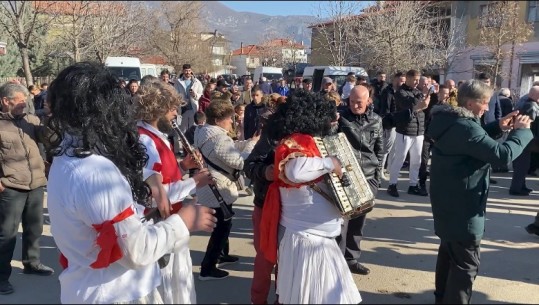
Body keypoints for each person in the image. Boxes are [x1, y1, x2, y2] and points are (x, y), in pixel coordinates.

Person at [46, 62, 217, 304]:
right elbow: (136, 250)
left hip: (93, 288)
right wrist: (184, 220)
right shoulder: (95, 171)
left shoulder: (66, 158)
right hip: (115, 293)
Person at [427, 79, 533, 304]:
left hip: (447, 202)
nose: (487, 107)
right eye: (484, 103)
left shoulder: (450, 120)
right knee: (466, 264)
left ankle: (441, 297)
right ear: (470, 103)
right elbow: (501, 156)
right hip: (462, 207)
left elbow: (472, 142)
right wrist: (521, 133)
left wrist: (497, 127)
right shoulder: (465, 127)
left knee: (449, 251)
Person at [260, 90, 362, 304]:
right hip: (307, 241)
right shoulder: (297, 141)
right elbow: (295, 172)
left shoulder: (304, 140)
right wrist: (331, 163)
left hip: (315, 239)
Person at [135, 80, 215, 303]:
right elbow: (151, 195)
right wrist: (195, 182)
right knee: (169, 288)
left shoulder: (154, 136)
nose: (176, 114)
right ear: (156, 109)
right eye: (171, 109)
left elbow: (159, 179)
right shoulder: (145, 141)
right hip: (160, 225)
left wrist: (183, 167)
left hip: (168, 222)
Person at [194, 101, 259, 280]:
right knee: (221, 228)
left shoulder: (203, 131)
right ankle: (207, 269)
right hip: (218, 189)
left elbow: (230, 148)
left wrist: (248, 141)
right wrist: (252, 146)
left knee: (224, 222)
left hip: (210, 186)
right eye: (229, 118)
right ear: (218, 120)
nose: (232, 121)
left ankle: (223, 254)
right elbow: (240, 162)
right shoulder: (219, 138)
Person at [0, 82, 54, 296]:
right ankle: (2, 277)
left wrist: (51, 117)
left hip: (36, 184)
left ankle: (32, 263)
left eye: (25, 100)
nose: (25, 104)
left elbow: (51, 139)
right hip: (11, 187)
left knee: (34, 229)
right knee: (7, 234)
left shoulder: (31, 121)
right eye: (20, 101)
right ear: (6, 101)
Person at [336, 85, 383, 276]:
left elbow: (380, 150)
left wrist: (377, 179)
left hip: (368, 177)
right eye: (352, 101)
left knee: (358, 223)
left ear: (368, 101)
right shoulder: (341, 118)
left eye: (360, 102)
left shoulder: (376, 120)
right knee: (339, 222)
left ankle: (351, 259)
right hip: (345, 176)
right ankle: (336, 260)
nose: (355, 105)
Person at [387, 69, 431, 197]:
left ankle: (413, 184)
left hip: (418, 131)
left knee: (416, 160)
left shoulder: (418, 92)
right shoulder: (401, 92)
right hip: (405, 131)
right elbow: (409, 106)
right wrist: (420, 99)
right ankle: (392, 184)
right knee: (399, 159)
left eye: (418, 80)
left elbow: (422, 109)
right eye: (415, 80)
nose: (417, 82)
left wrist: (425, 97)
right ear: (408, 78)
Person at [174, 64, 204, 134]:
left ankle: (192, 144)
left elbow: (200, 93)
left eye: (189, 71)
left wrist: (194, 95)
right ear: (183, 71)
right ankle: (182, 144)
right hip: (182, 110)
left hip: (193, 109)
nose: (188, 72)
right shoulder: (178, 82)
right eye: (186, 71)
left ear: (191, 71)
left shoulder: (196, 82)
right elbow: (175, 93)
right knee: (181, 130)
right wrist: (181, 100)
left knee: (193, 129)